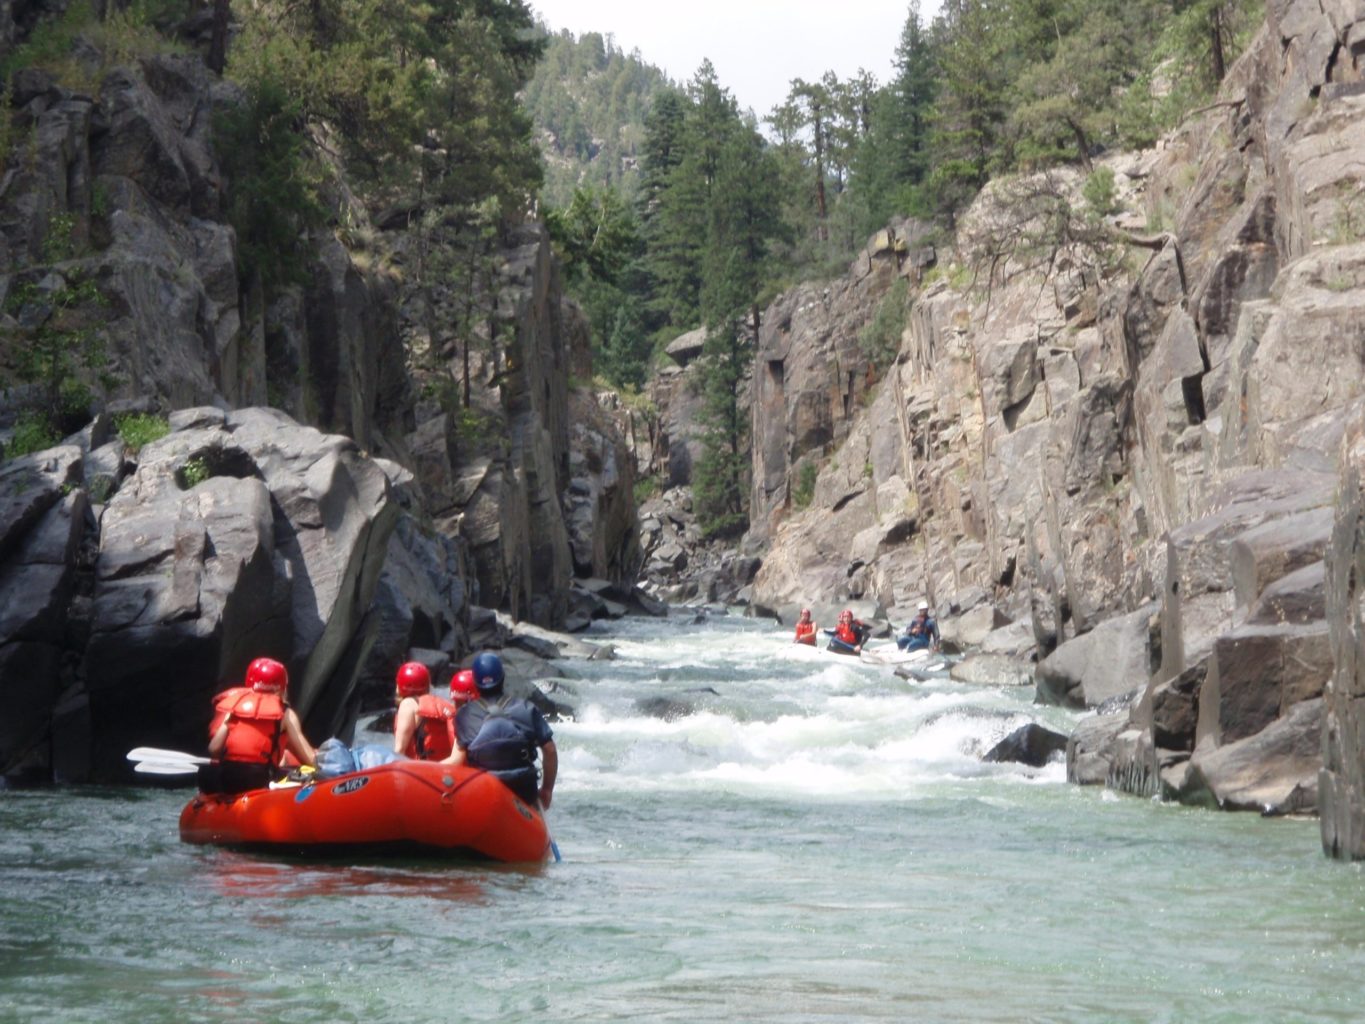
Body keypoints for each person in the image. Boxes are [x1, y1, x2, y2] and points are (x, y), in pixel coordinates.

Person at [442, 651, 557, 810]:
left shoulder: (464, 715)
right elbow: (549, 750)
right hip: (524, 791)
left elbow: (456, 761)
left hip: (482, 791)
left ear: (475, 684)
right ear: (502, 679)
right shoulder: (526, 708)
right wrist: (547, 791)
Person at [201, 657, 316, 794]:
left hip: (226, 779)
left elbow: (214, 749)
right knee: (308, 774)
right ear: (281, 688)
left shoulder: (235, 709)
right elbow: (309, 759)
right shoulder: (285, 714)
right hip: (259, 780)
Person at [392, 661, 456, 761]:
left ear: (399, 685)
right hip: (442, 768)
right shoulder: (440, 703)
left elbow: (399, 749)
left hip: (417, 770)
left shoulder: (408, 704)